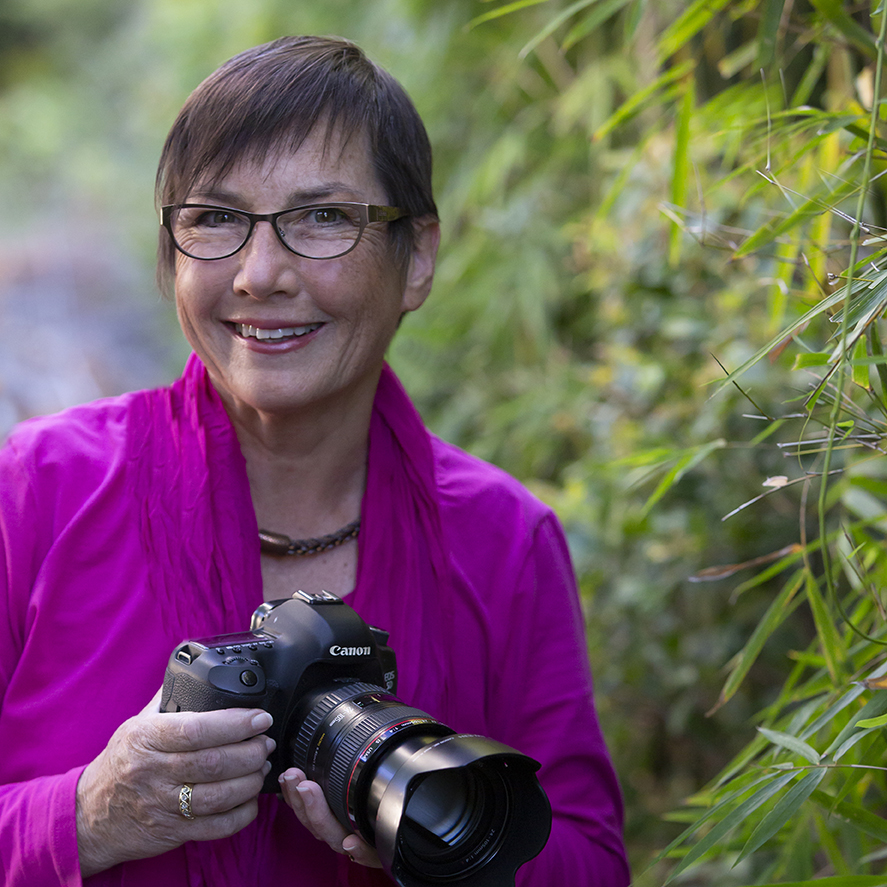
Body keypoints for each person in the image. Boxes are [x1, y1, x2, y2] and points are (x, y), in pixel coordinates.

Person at [0, 35, 629, 887]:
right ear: (170, 256)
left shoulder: (502, 538)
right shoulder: (37, 489)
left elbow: (591, 864)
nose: (261, 274)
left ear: (418, 258)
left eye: (322, 217)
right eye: (215, 219)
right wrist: (93, 812)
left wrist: (442, 838)